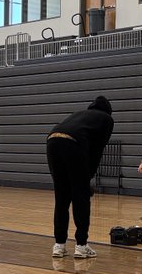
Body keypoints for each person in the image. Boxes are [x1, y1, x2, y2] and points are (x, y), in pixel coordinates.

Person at [46, 96, 115, 259]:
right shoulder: (106, 119)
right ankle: (81, 245)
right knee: (81, 198)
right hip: (74, 144)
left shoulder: (80, 114)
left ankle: (59, 245)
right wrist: (86, 180)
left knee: (62, 198)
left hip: (52, 141)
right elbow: (97, 150)